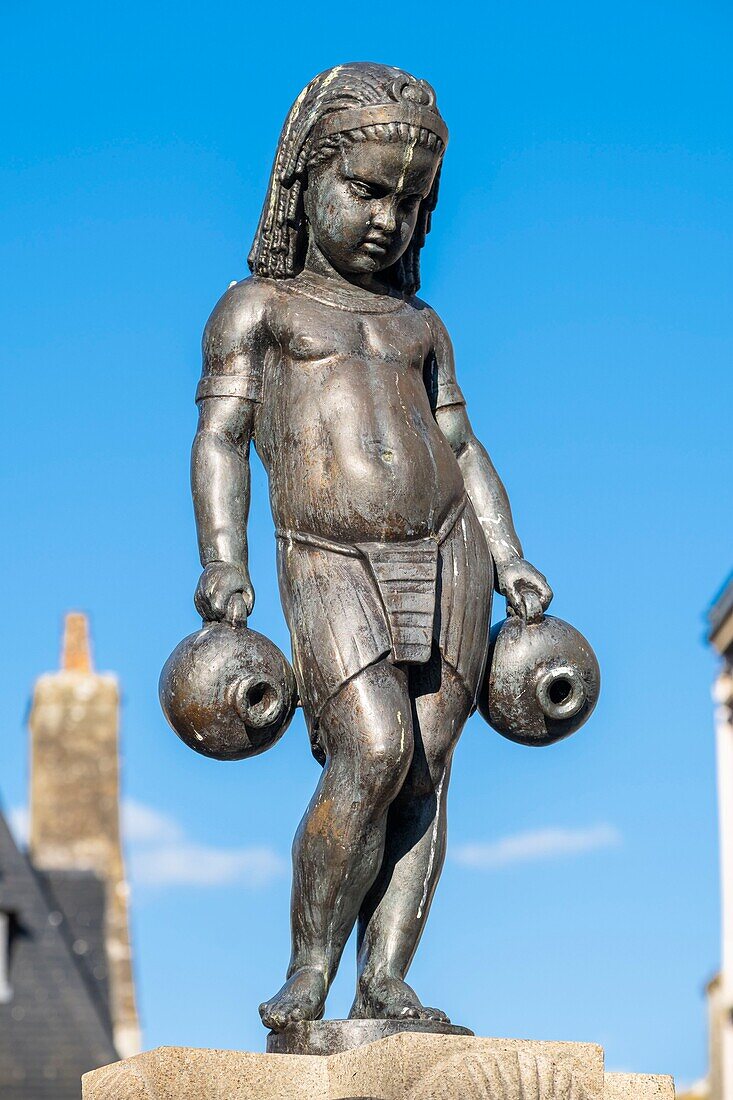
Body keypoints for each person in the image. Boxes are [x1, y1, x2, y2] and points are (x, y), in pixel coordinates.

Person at [190, 62, 552, 1031]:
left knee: (428, 761)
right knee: (373, 748)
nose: (387, 217)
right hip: (327, 550)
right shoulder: (256, 311)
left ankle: (384, 978)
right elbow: (222, 439)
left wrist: (508, 549)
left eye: (410, 199)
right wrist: (221, 558)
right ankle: (306, 974)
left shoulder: (419, 324)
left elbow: (463, 446)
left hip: (448, 546)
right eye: (365, 189)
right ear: (303, 182)